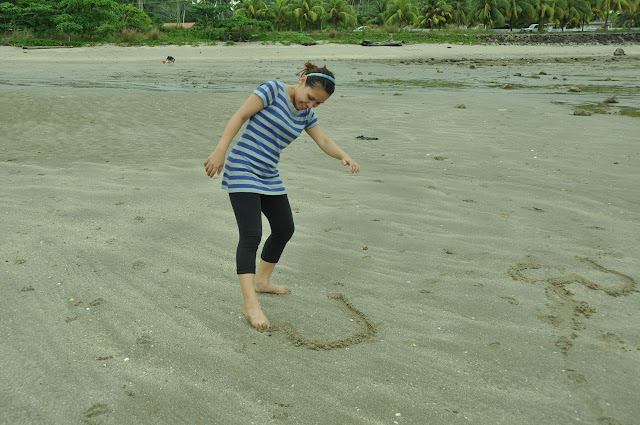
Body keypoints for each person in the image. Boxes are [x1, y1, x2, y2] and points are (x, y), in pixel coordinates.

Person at [204, 62, 360, 330]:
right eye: (310, 97)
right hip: (243, 167)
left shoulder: (306, 115)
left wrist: (344, 156)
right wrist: (220, 151)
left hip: (268, 173)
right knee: (251, 235)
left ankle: (262, 281)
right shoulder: (272, 90)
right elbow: (240, 116)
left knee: (284, 228)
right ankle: (250, 303)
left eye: (318, 103)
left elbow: (323, 141)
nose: (310, 105)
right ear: (302, 81)